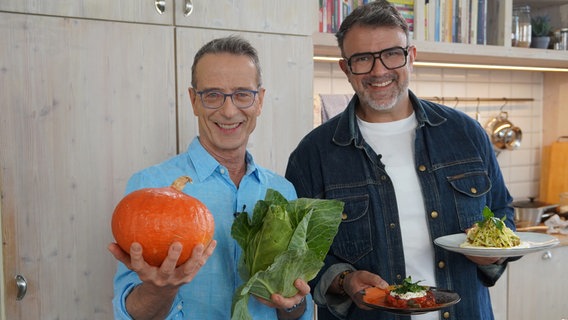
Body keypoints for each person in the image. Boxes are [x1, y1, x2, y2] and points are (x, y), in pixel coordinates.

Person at [285, 1, 516, 319]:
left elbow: (503, 213)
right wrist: (345, 280)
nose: (379, 71)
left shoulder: (466, 134)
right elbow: (299, 256)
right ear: (345, 68)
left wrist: (492, 254)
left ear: (412, 56)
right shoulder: (313, 154)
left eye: (392, 54)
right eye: (363, 59)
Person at [108, 35, 313, 320]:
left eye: (242, 94)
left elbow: (297, 311)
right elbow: (130, 314)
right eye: (213, 95)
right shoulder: (148, 188)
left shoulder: (283, 191)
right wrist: (161, 290)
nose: (229, 111)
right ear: (194, 101)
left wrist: (291, 303)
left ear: (260, 101)